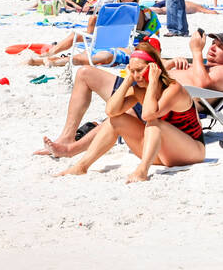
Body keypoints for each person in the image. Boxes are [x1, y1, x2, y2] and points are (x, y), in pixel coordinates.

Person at [38, 30, 223, 157]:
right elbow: (163, 71)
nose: (213, 48)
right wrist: (170, 64)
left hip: (159, 106)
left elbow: (201, 84)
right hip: (143, 87)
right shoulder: (202, 66)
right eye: (213, 44)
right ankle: (66, 137)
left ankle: (71, 150)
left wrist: (196, 52)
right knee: (84, 74)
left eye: (221, 47)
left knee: (119, 114)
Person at [54, 40, 206, 182]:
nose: (137, 76)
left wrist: (153, 82)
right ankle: (82, 166)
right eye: (133, 71)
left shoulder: (173, 89)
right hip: (162, 153)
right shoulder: (138, 89)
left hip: (192, 151)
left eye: (139, 70)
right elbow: (111, 111)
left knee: (154, 123)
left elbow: (148, 114)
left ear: (154, 68)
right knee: (116, 120)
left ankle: (142, 171)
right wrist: (127, 81)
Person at [24, 0, 159, 66]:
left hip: (124, 44)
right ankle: (48, 55)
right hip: (110, 40)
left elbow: (138, 33)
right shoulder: (130, 10)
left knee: (90, 48)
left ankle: (51, 59)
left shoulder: (136, 11)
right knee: (77, 34)